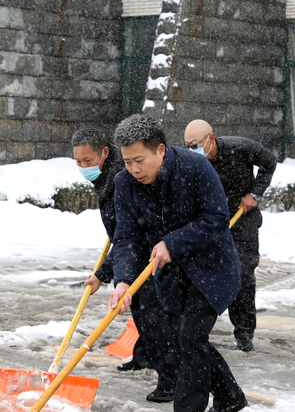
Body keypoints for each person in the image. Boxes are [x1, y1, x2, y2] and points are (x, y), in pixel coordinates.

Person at [109, 114, 248, 412]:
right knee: (187, 339)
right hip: (170, 276)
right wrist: (123, 280)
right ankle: (230, 397)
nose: (133, 169)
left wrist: (173, 243)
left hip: (212, 268)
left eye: (139, 160)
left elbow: (216, 218)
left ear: (160, 149)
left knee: (190, 337)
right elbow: (126, 237)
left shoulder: (195, 167)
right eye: (127, 161)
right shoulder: (125, 183)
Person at [71, 127, 179, 403]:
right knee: (142, 312)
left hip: (153, 251)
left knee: (154, 317)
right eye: (78, 162)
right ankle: (144, 356)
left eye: (88, 160)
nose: (84, 167)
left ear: (105, 153)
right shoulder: (108, 177)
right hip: (137, 249)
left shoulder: (123, 177)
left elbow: (129, 237)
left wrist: (103, 274)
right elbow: (120, 233)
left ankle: (171, 380)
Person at [184, 119, 277, 352]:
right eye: (187, 145)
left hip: (242, 219)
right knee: (204, 274)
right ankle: (197, 330)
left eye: (195, 144)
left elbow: (269, 162)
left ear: (211, 139)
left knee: (242, 274)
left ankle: (244, 334)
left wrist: (254, 194)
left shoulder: (241, 147)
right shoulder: (192, 163)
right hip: (212, 222)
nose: (191, 150)